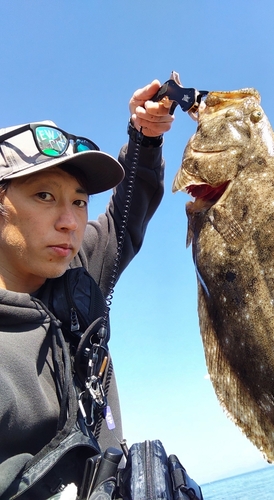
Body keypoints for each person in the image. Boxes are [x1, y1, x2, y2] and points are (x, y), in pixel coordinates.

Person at [0, 80, 174, 498]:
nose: (70, 222)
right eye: (44, 195)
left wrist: (145, 139)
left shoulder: (74, 270)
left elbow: (125, 216)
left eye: (79, 202)